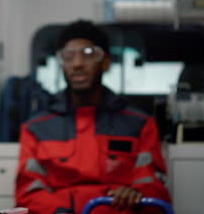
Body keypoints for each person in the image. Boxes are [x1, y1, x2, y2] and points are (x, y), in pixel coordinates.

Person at [14, 20, 170, 214]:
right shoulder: (35, 128)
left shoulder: (140, 125)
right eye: (68, 56)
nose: (77, 64)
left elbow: (152, 187)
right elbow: (28, 192)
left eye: (88, 54)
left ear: (105, 62)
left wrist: (135, 194)